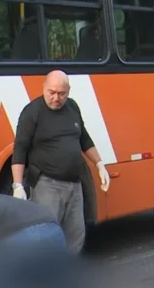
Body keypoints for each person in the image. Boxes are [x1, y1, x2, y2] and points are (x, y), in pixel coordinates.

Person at [11, 70, 110, 254]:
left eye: (61, 93)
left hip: (74, 184)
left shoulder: (72, 107)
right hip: (47, 184)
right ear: (44, 87)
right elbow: (20, 149)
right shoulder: (32, 112)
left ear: (69, 91)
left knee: (76, 234)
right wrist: (17, 185)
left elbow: (84, 139)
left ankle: (66, 276)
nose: (56, 98)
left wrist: (99, 164)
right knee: (47, 235)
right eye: (52, 92)